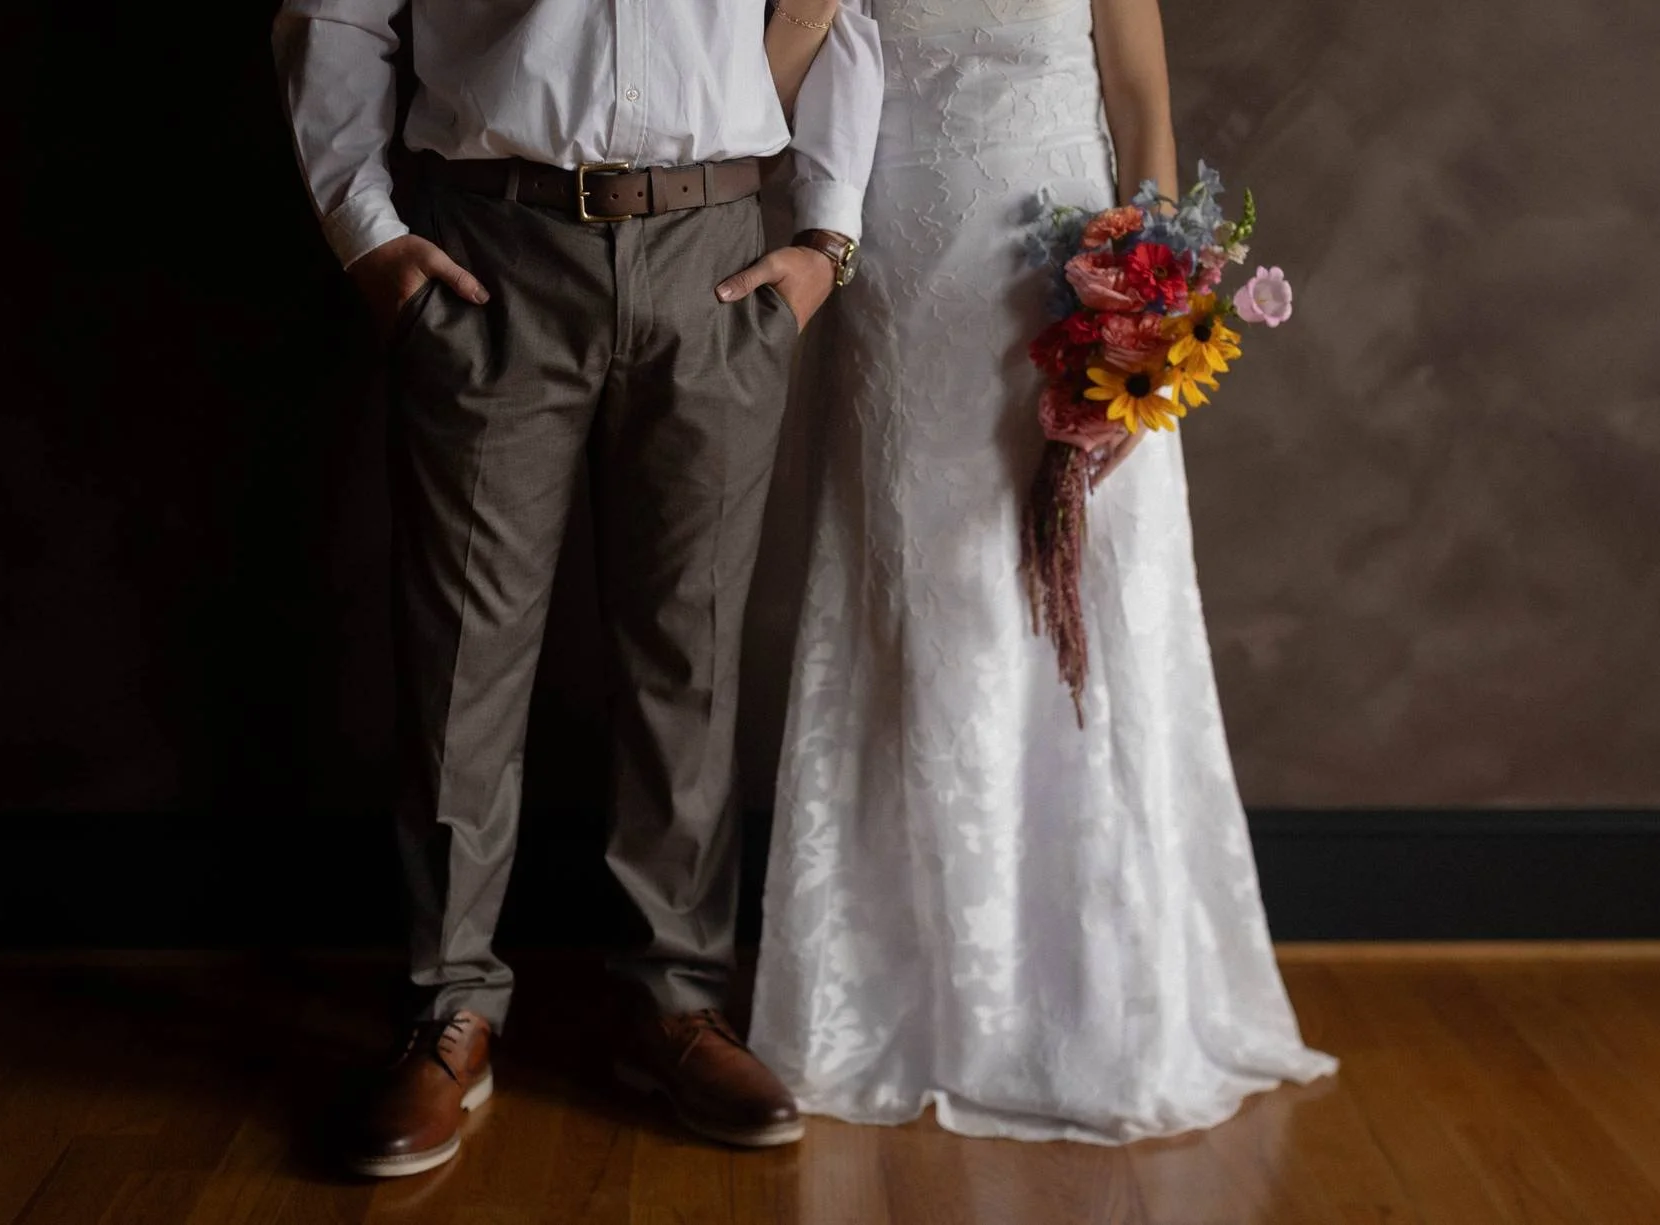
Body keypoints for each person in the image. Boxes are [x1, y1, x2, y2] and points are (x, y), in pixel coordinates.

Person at [272, 0, 884, 1175]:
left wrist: (826, 240)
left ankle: (676, 1002)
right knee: (463, 654)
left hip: (716, 254)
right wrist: (368, 237)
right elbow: (334, 13)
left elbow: (831, 9)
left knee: (691, 657)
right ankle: (449, 1010)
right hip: (491, 251)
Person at [750, 0, 1337, 1141]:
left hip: (1071, 282)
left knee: (1086, 609)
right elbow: (752, 108)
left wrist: (1156, 298)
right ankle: (920, 995)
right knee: (931, 613)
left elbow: (1140, 98)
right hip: (904, 284)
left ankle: (1101, 1004)